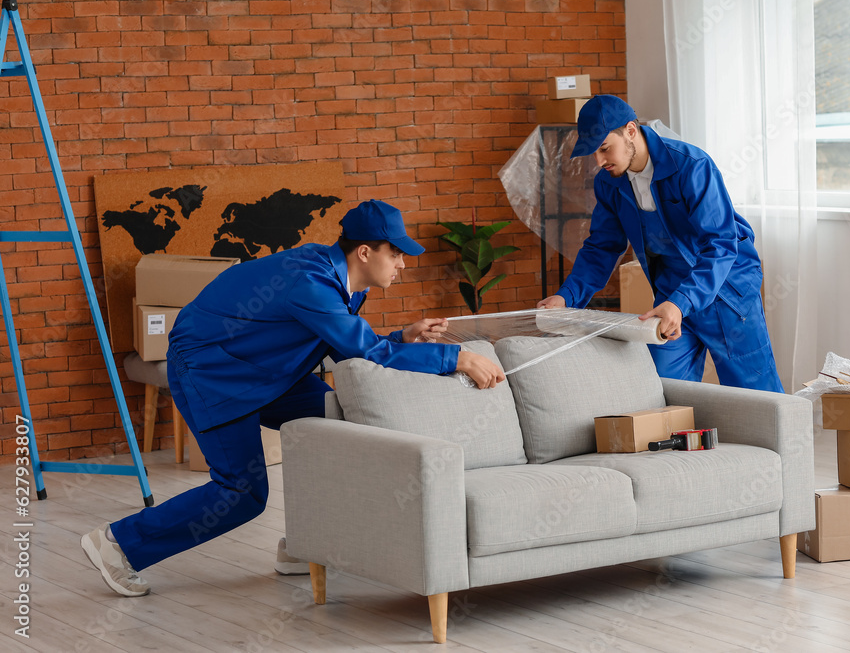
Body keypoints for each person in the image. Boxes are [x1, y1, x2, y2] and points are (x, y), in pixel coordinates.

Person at [82, 199, 505, 597]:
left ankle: (305, 545)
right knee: (241, 493)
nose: (401, 264)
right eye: (394, 253)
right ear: (363, 252)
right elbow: (364, 351)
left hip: (266, 371)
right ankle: (119, 544)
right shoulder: (312, 282)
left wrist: (403, 337)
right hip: (213, 374)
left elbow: (347, 345)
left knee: (339, 424)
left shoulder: (344, 282)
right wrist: (458, 357)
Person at [538, 95, 783, 393]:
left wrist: (682, 303)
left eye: (604, 148)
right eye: (594, 153)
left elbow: (720, 244)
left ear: (630, 131)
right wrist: (567, 297)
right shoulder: (609, 182)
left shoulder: (692, 166)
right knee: (662, 391)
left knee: (756, 395)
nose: (599, 161)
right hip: (670, 295)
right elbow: (602, 246)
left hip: (726, 290)